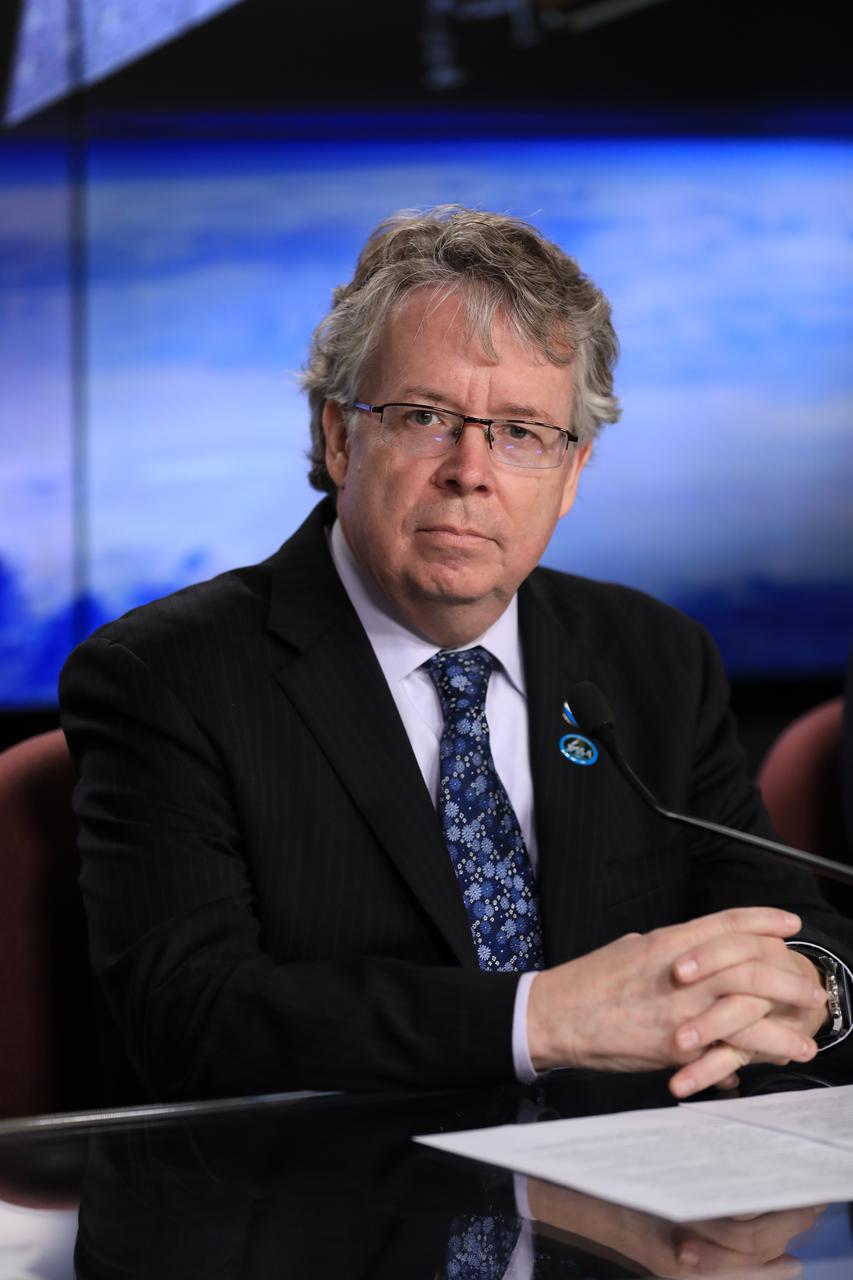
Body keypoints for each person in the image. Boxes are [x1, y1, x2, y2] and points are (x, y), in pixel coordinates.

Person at [60, 205, 853, 1106]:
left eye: (520, 432)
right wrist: (545, 1019)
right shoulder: (168, 678)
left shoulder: (652, 658)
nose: (470, 470)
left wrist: (811, 992)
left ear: (573, 474)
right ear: (338, 437)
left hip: (624, 1199)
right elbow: (190, 1017)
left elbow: (799, 928)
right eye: (426, 416)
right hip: (312, 1211)